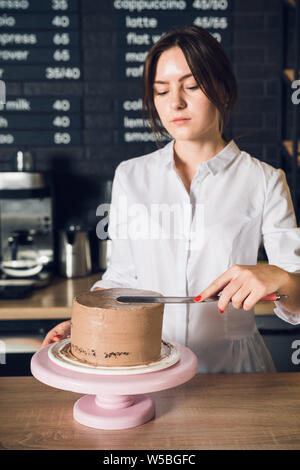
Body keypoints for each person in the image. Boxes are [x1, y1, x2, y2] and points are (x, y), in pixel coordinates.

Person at [42, 25, 300, 373]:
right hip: (149, 362)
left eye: (191, 86)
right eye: (161, 91)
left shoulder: (265, 180)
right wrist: (88, 325)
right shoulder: (131, 176)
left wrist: (280, 280)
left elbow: (294, 298)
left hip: (234, 371)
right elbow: (123, 279)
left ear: (222, 89)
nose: (175, 102)